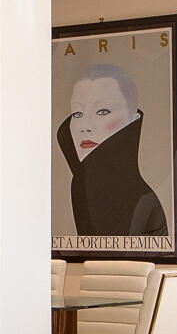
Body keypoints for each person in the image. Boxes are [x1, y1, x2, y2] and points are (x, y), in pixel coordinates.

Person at [57, 70, 167, 239]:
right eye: (77, 114)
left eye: (102, 112)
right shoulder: (81, 185)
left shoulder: (142, 202)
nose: (84, 126)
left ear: (133, 118)